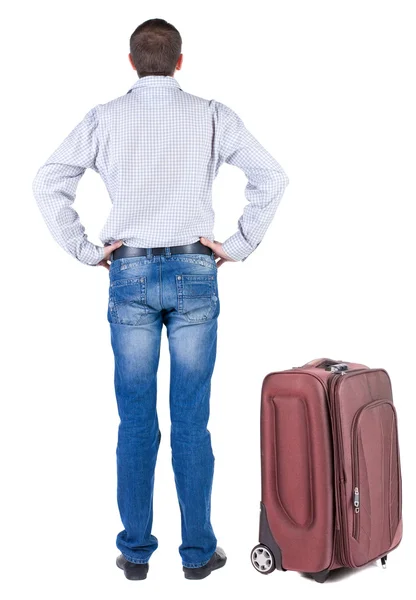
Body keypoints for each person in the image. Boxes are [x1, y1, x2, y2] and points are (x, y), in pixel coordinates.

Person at [32, 17, 289, 580]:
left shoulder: (104, 118)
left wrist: (85, 250)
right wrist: (238, 245)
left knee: (135, 421)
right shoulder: (212, 115)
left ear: (131, 63)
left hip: (129, 275)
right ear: (179, 61)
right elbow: (272, 177)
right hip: (196, 271)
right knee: (192, 422)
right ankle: (198, 555)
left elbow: (47, 180)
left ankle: (136, 553)